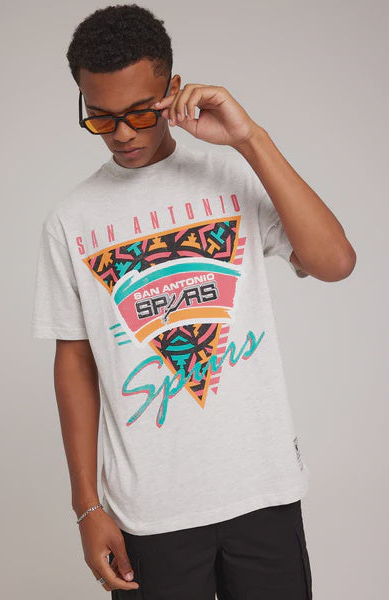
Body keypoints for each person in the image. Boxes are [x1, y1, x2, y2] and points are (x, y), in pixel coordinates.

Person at [31, 4, 356, 599]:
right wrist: (86, 507)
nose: (122, 133)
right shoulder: (72, 220)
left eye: (140, 112)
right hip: (149, 511)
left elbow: (335, 262)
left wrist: (250, 139)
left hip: (263, 492)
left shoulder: (231, 178)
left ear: (174, 90)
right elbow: (74, 361)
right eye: (100, 117)